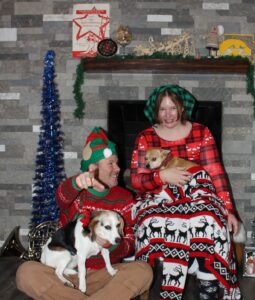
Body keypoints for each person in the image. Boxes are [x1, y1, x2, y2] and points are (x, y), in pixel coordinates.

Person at [130, 84, 242, 300]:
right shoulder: (146, 137)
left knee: (211, 218)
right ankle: (154, 279)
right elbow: (137, 180)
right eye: (162, 109)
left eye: (173, 108)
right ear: (156, 111)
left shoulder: (201, 132)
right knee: (150, 219)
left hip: (197, 193)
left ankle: (206, 278)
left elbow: (215, 173)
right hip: (158, 195)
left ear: (182, 108)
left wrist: (228, 210)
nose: (168, 114)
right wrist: (161, 177)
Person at [16, 127, 153, 300]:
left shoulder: (124, 198)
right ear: (93, 168)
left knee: (143, 271)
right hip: (66, 274)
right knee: (26, 271)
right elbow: (61, 197)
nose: (118, 168)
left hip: (103, 275)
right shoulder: (76, 192)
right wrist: (75, 183)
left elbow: (130, 243)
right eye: (111, 163)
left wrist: (110, 245)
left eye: (117, 162)